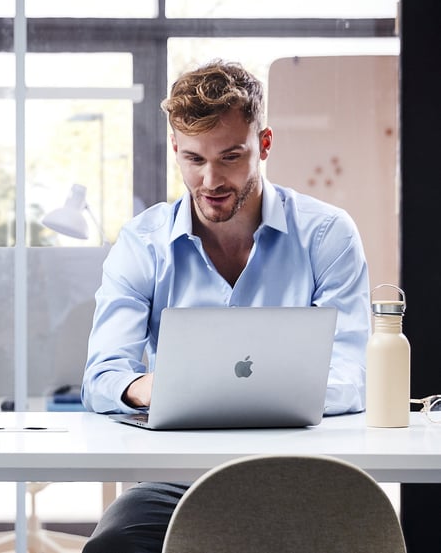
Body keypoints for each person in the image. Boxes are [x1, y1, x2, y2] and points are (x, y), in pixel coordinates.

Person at [80, 59, 371, 553]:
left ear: (264, 144)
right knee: (114, 546)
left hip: (303, 476)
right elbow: (103, 374)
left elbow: (352, 373)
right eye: (193, 159)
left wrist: (242, 396)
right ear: (175, 148)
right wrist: (146, 387)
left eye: (231, 157)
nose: (210, 180)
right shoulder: (142, 243)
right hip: (176, 482)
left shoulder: (328, 235)